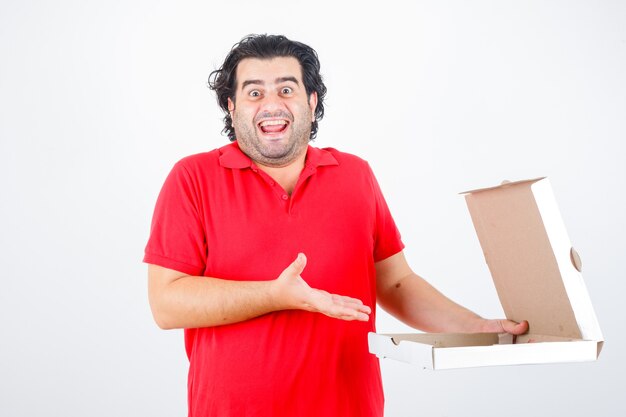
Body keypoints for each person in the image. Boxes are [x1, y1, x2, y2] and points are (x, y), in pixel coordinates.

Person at [144, 34, 528, 417]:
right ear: (231, 106)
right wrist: (275, 295)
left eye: (287, 89)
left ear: (311, 101)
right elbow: (167, 304)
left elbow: (395, 283)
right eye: (254, 93)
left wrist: (476, 326)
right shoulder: (192, 178)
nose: (271, 105)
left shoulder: (355, 176)